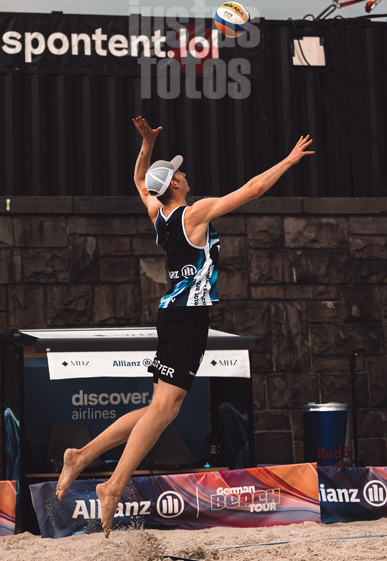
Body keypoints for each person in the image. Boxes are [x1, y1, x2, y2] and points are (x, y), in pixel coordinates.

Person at [56, 115, 315, 536]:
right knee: (162, 411)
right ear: (175, 183)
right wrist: (287, 161)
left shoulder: (159, 216)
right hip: (186, 318)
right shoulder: (192, 215)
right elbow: (253, 189)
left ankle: (81, 456)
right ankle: (112, 485)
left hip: (175, 316)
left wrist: (147, 144)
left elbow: (141, 181)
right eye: (179, 171)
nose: (185, 172)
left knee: (161, 409)